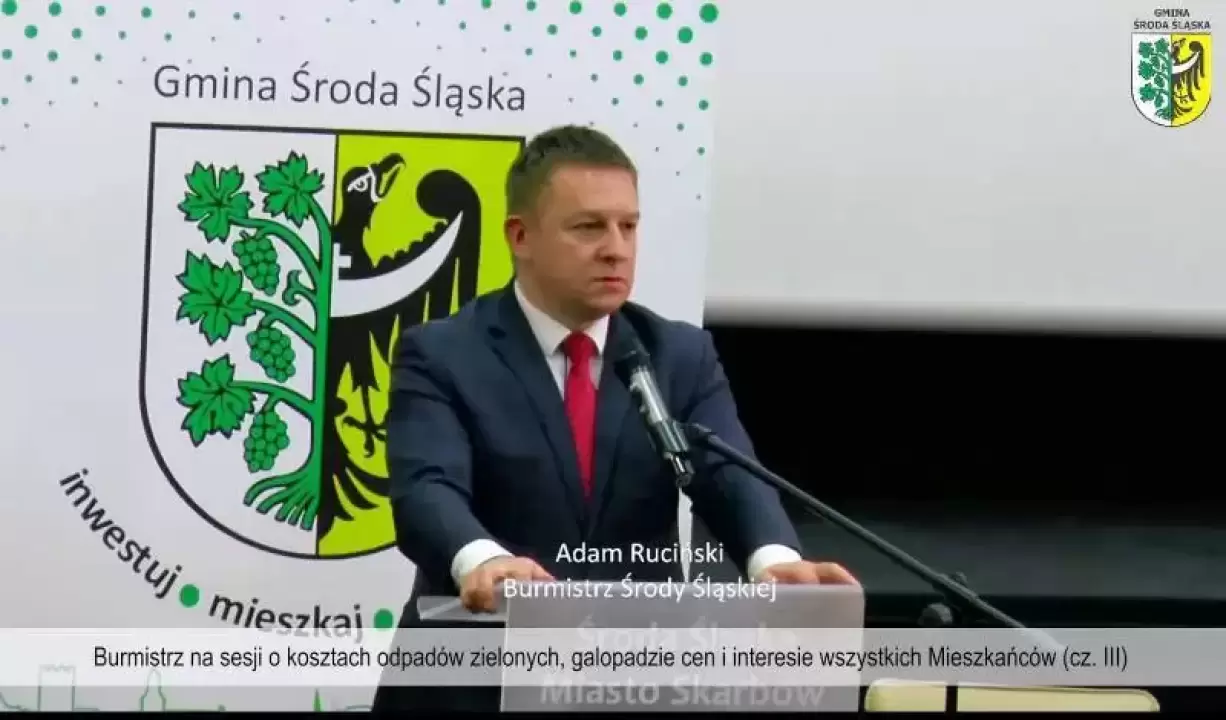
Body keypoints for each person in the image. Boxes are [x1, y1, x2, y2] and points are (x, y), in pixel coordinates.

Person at [371, 125, 858, 711]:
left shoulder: (677, 355)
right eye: (589, 227)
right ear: (520, 236)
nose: (616, 248)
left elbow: (729, 474)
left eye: (628, 226)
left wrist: (774, 561)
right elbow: (427, 489)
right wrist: (485, 560)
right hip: (474, 677)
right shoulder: (443, 353)